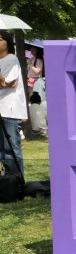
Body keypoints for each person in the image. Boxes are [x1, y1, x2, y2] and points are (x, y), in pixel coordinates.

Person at [0, 31, 27, 176]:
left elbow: (7, 83)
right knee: (2, 149)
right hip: (1, 109)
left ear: (7, 43)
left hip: (9, 110)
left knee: (11, 147)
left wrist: (3, 82)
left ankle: (16, 181)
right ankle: (8, 180)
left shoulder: (11, 59)